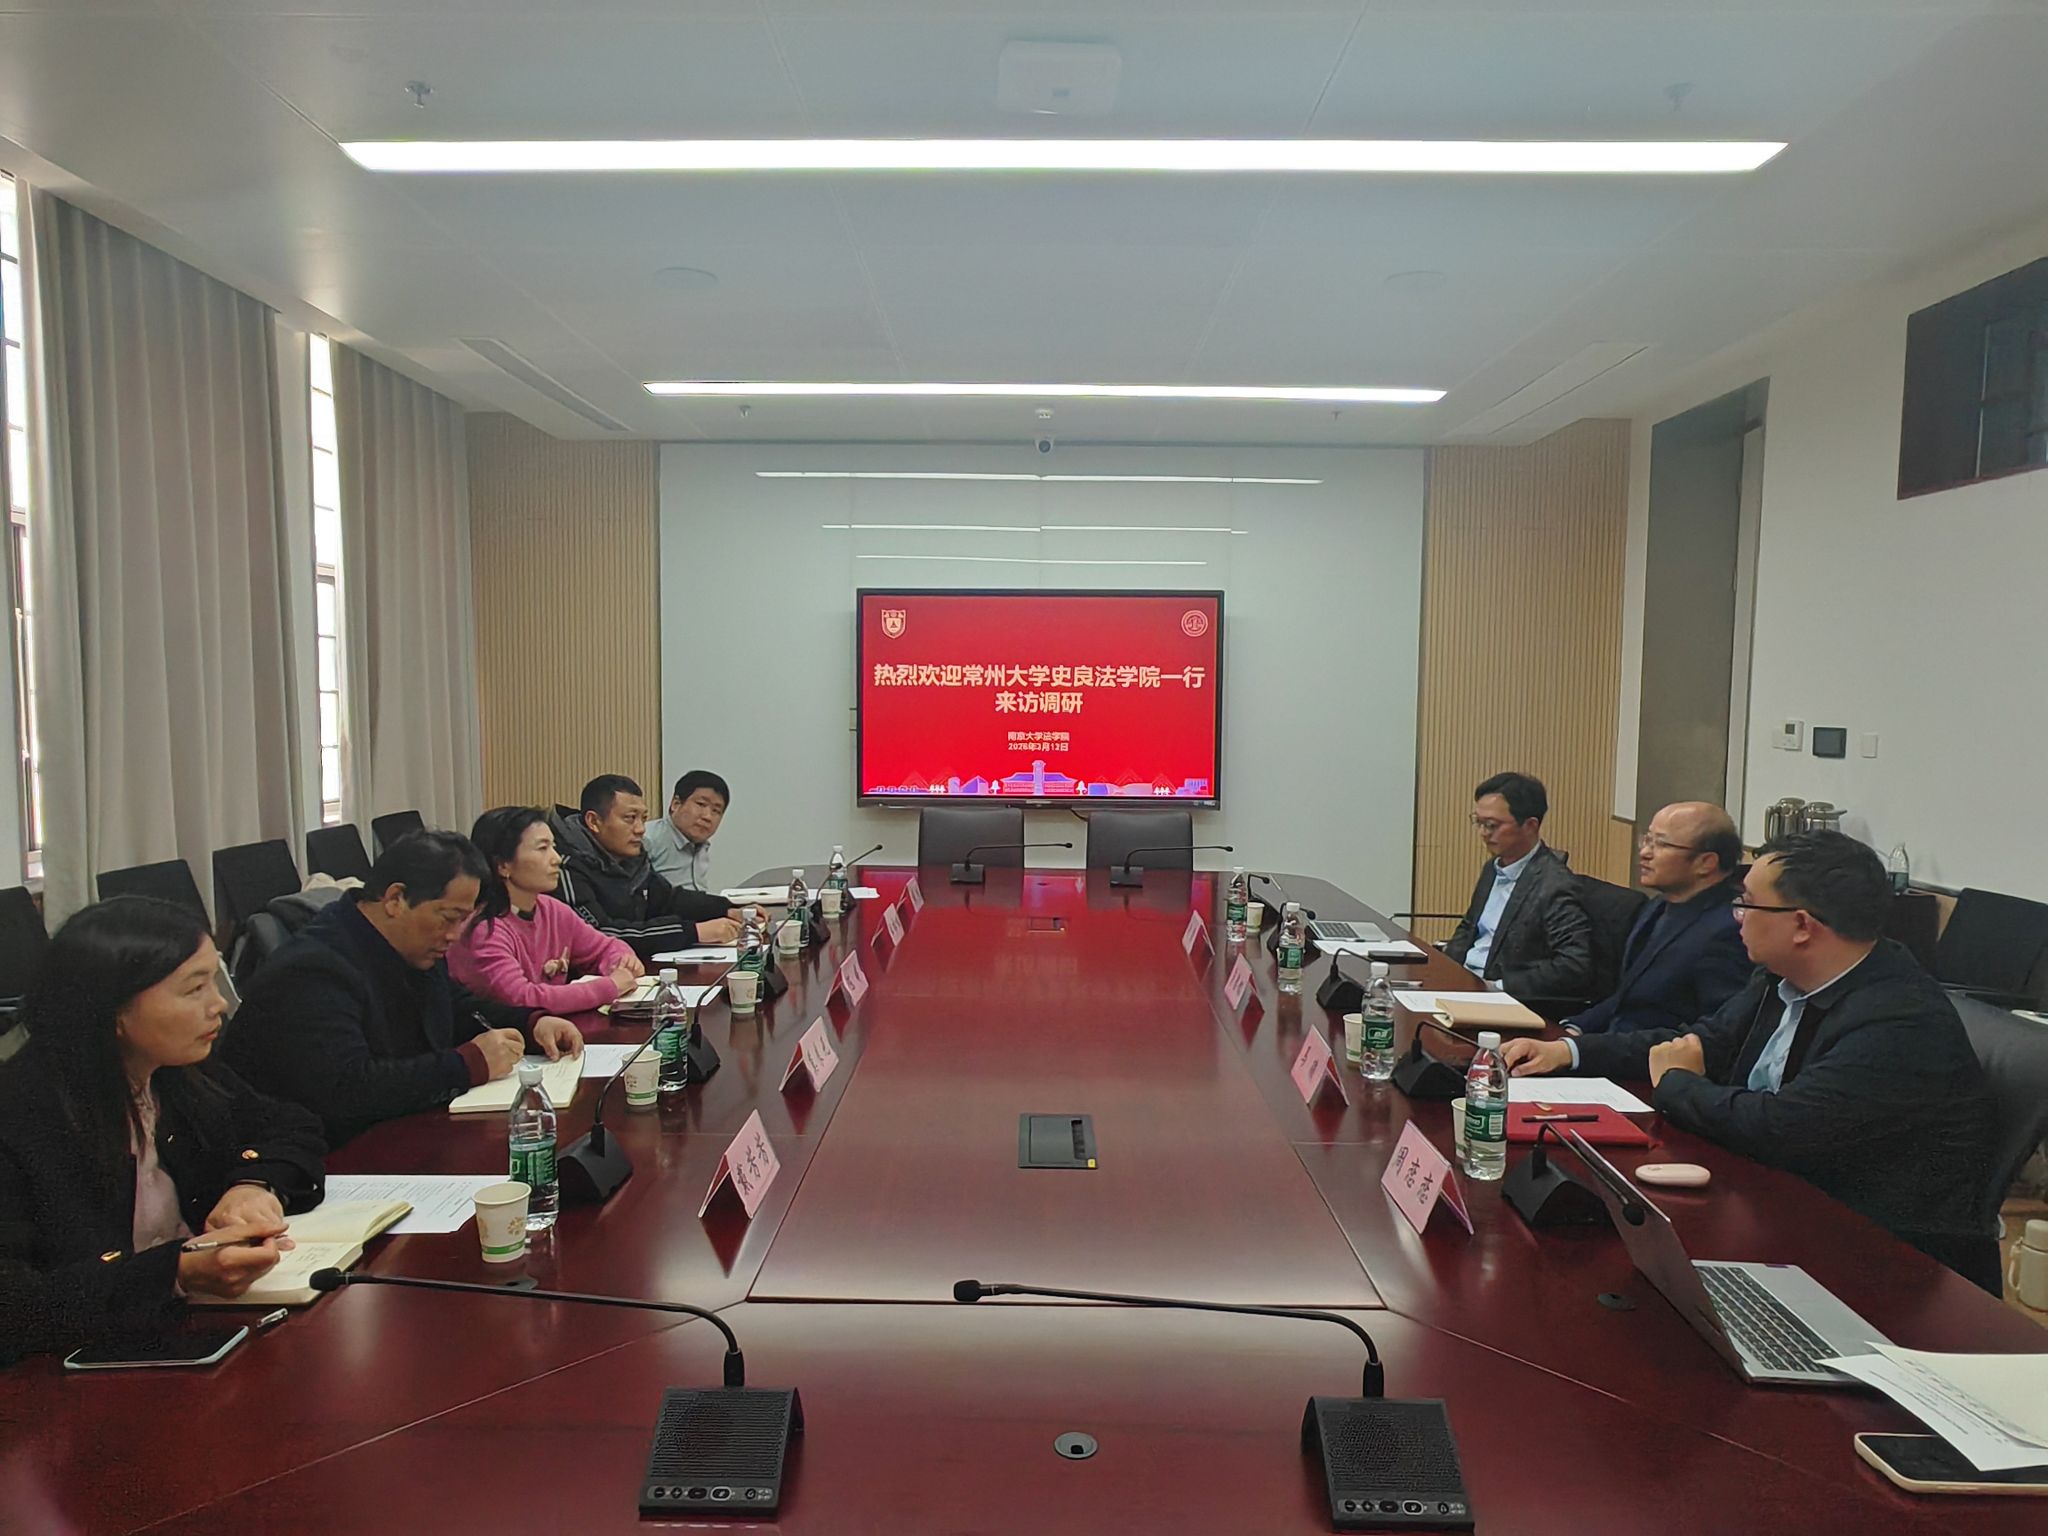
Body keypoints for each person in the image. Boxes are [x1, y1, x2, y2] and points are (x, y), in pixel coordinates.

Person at [1503, 830, 2000, 1290]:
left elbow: (1780, 1127)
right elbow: (1699, 1042)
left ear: (1801, 925)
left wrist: (1675, 1083)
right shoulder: (1781, 976)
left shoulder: (1898, 1020)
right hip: (1774, 1205)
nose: (1735, 916)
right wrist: (1569, 1051)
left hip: (1880, 1265)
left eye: (1745, 903)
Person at [0, 897, 326, 1363]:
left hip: (193, 1334)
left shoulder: (175, 1072)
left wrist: (253, 1185)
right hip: (72, 1372)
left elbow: (291, 1124)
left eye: (213, 980)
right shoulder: (23, 1113)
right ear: (113, 1010)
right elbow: (15, 1304)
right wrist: (174, 1273)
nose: (219, 1004)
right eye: (194, 989)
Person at [224, 831, 584, 1148]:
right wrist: (466, 1065)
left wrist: (531, 1023)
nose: (455, 935)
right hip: (319, 1159)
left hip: (400, 1134)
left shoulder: (414, 943)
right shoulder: (314, 969)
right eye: (449, 918)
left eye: (464, 919)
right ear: (396, 899)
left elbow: (455, 1006)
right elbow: (348, 1089)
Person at [1568, 802, 1752, 1036]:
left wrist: (1579, 1049)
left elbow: (1717, 1034)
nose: (1645, 853)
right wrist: (1572, 1029)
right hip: (1611, 1043)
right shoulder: (1658, 904)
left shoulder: (1727, 930)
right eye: (1647, 840)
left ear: (1706, 862)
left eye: (1662, 844)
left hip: (1652, 1053)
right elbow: (1626, 997)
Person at [452, 806, 644, 1013]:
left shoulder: (551, 909)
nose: (557, 859)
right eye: (542, 848)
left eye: (553, 847)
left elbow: (605, 947)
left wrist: (621, 963)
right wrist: (609, 987)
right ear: (503, 865)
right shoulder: (484, 929)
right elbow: (522, 999)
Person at [551, 774, 746, 960]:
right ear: (594, 822)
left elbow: (667, 899)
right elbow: (599, 934)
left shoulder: (632, 857)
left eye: (643, 818)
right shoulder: (563, 865)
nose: (640, 829)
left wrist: (726, 908)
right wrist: (693, 931)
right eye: (630, 818)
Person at [1440, 771, 1593, 1002]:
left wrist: (1498, 987)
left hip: (1502, 996)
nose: (1483, 833)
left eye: (1492, 825)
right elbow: (1469, 927)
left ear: (1530, 825)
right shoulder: (1493, 867)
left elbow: (1573, 965)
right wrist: (1444, 969)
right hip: (1465, 983)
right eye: (1479, 823)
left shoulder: (1555, 885)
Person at [644, 770, 729, 893]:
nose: (707, 816)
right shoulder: (647, 839)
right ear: (676, 804)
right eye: (701, 804)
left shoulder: (700, 845)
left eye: (716, 811)